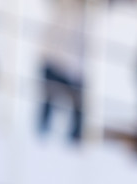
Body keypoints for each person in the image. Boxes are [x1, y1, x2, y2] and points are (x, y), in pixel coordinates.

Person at [38, 0, 87, 142]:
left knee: (78, 113)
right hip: (54, 57)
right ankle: (41, 142)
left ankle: (74, 149)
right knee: (47, 106)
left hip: (76, 65)